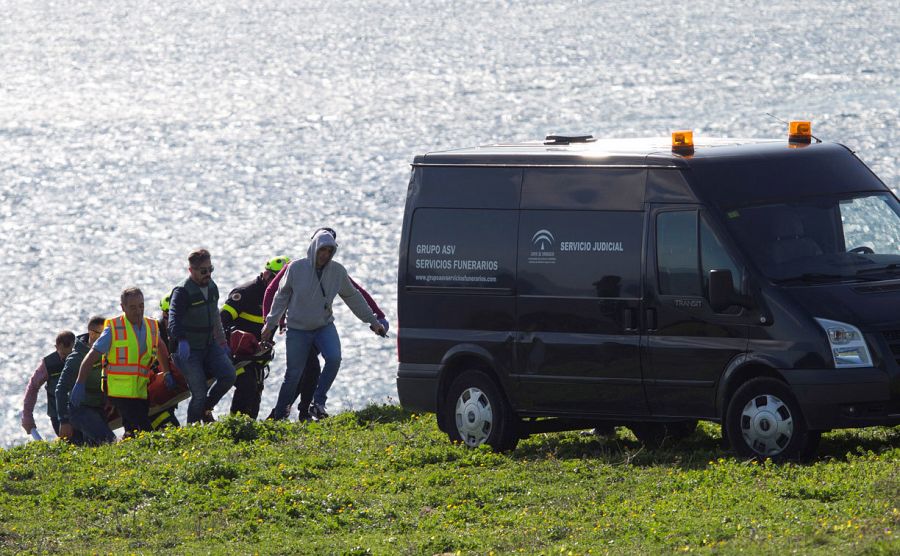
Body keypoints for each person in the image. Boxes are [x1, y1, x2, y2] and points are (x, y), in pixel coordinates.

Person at [262, 228, 388, 421]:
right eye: (322, 250)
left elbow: (354, 296)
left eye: (329, 251)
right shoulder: (296, 268)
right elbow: (280, 296)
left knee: (334, 358)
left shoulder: (337, 271)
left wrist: (373, 320)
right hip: (297, 329)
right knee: (293, 375)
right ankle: (279, 416)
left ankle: (317, 402)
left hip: (323, 326)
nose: (325, 255)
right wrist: (270, 324)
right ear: (314, 248)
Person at [72, 287, 171, 436]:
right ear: (123, 307)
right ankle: (152, 446)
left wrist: (167, 373)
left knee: (132, 427)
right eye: (132, 307)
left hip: (140, 389)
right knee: (144, 427)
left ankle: (130, 443)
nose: (138, 311)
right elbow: (91, 356)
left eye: (141, 306)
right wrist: (80, 383)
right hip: (118, 391)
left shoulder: (151, 326)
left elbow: (161, 346)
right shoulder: (114, 329)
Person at [168, 249, 236, 423]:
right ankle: (193, 430)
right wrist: (182, 341)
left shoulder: (212, 287)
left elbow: (215, 317)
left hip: (209, 344)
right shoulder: (182, 291)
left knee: (229, 375)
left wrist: (222, 343)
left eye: (210, 269)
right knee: (199, 392)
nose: (208, 274)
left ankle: (206, 408)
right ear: (191, 270)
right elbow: (173, 321)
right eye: (203, 271)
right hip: (188, 349)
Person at [221, 256, 290, 418]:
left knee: (254, 398)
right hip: (239, 357)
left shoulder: (283, 297)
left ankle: (246, 433)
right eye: (278, 280)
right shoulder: (246, 293)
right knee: (247, 387)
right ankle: (235, 428)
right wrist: (233, 342)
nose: (281, 285)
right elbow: (221, 320)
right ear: (266, 275)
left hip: (258, 359)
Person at [56, 316, 115, 445]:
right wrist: (64, 421)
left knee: (96, 449)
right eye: (104, 334)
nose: (108, 337)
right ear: (92, 334)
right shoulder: (76, 358)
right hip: (80, 410)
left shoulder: (107, 353)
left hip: (99, 408)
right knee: (110, 442)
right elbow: (60, 390)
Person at [21, 330, 76, 437]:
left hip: (81, 410)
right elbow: (33, 387)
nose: (67, 358)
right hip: (57, 415)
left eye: (70, 354)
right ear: (56, 347)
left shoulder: (81, 356)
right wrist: (27, 415)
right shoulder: (48, 364)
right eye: (63, 354)